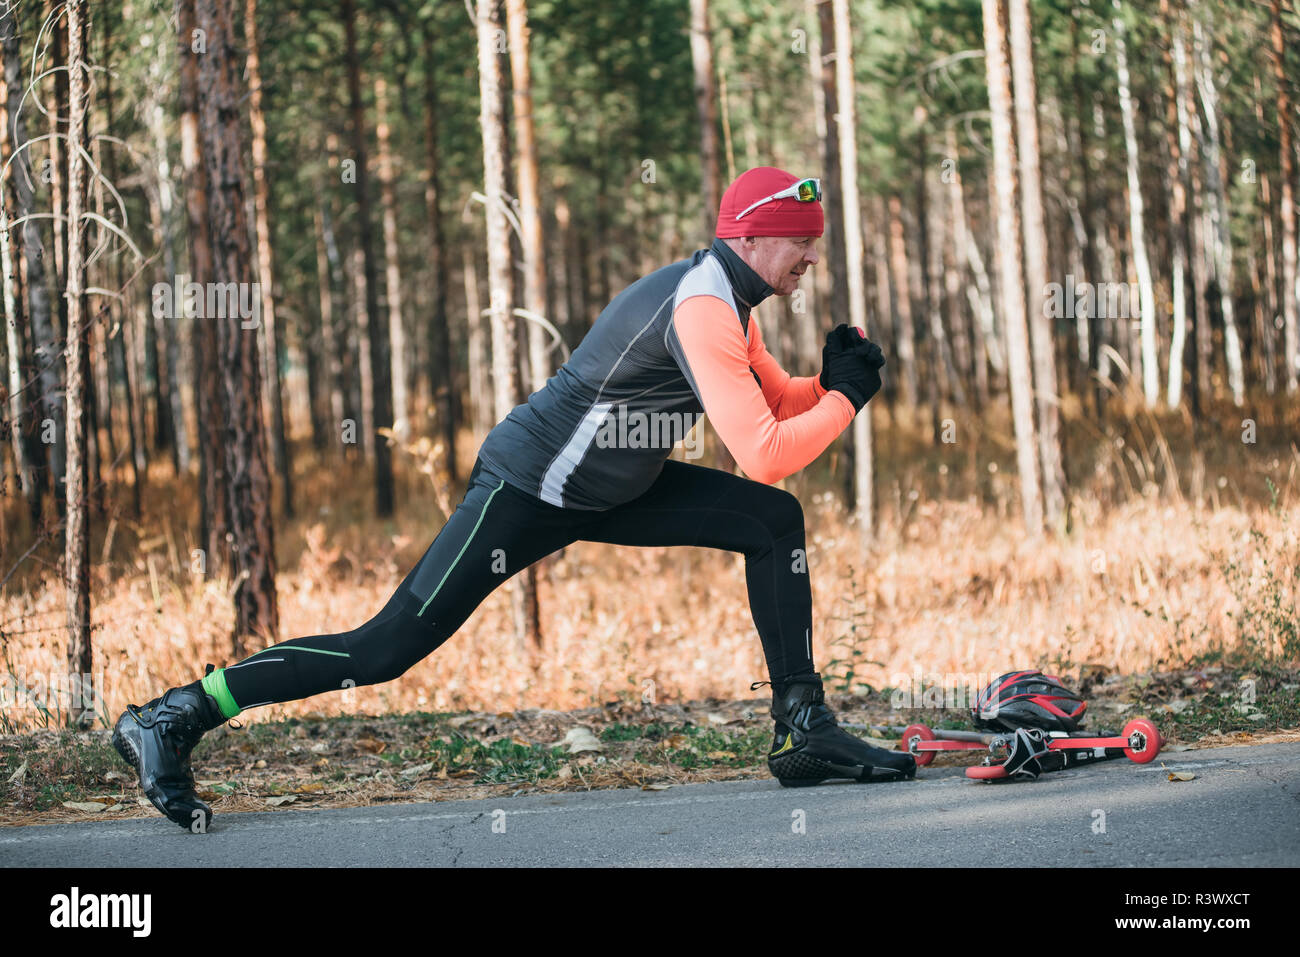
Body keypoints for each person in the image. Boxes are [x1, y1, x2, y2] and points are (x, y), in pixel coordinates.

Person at [112, 166, 915, 831]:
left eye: (815, 242)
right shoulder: (703, 308)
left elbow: (778, 406)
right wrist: (844, 400)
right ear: (750, 237)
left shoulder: (730, 301)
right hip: (527, 486)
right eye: (801, 242)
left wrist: (838, 382)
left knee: (772, 526)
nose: (812, 255)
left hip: (612, 485)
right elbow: (766, 453)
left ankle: (803, 728)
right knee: (383, 649)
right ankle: (177, 714)